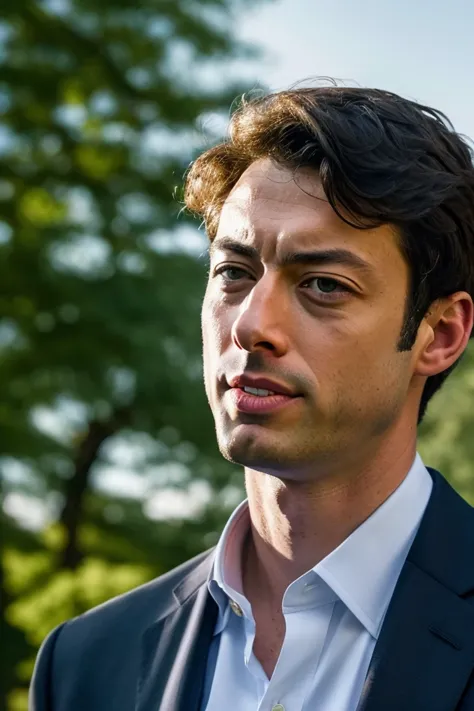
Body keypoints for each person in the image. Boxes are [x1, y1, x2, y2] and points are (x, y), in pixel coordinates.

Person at [30, 81, 474, 711]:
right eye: (233, 274)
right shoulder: (85, 663)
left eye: (323, 284)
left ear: (440, 334)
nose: (250, 326)